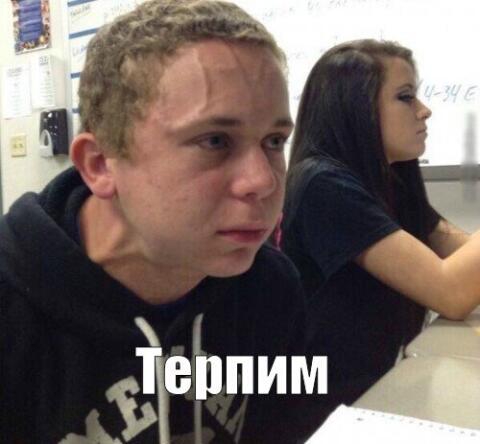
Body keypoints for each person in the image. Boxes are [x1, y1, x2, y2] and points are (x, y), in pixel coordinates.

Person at [0, 1, 315, 442]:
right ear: (99, 165)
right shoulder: (14, 313)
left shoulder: (269, 288)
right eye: (215, 140)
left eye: (274, 141)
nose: (262, 181)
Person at [281, 39, 480, 421]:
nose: (424, 110)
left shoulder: (390, 180)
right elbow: (451, 292)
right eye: (405, 97)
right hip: (328, 412)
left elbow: (461, 256)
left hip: (384, 385)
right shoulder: (322, 184)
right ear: (355, 107)